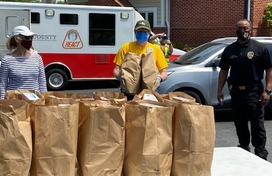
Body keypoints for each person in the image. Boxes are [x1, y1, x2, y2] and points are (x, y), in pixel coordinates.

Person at [217, 19, 272, 160]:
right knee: (240, 123)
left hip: (254, 92)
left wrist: (268, 91)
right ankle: (244, 151)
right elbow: (223, 71)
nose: (243, 31)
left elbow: (269, 70)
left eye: (246, 28)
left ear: (250, 29)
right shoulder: (229, 50)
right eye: (240, 28)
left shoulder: (259, 48)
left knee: (257, 125)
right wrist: (219, 90)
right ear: (235, 30)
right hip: (236, 92)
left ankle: (260, 155)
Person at [113, 20, 168, 100]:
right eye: (139, 31)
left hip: (149, 94)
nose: (142, 33)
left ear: (149, 33)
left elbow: (164, 72)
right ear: (135, 32)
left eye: (144, 31)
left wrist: (159, 80)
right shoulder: (126, 47)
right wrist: (122, 80)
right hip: (129, 93)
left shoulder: (156, 49)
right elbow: (117, 69)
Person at [0, 25, 47, 99]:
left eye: (31, 37)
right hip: (15, 102)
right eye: (27, 38)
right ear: (17, 39)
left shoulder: (37, 58)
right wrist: (2, 103)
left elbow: (42, 82)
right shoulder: (7, 60)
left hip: (35, 101)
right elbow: (2, 84)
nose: (30, 40)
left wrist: (45, 99)